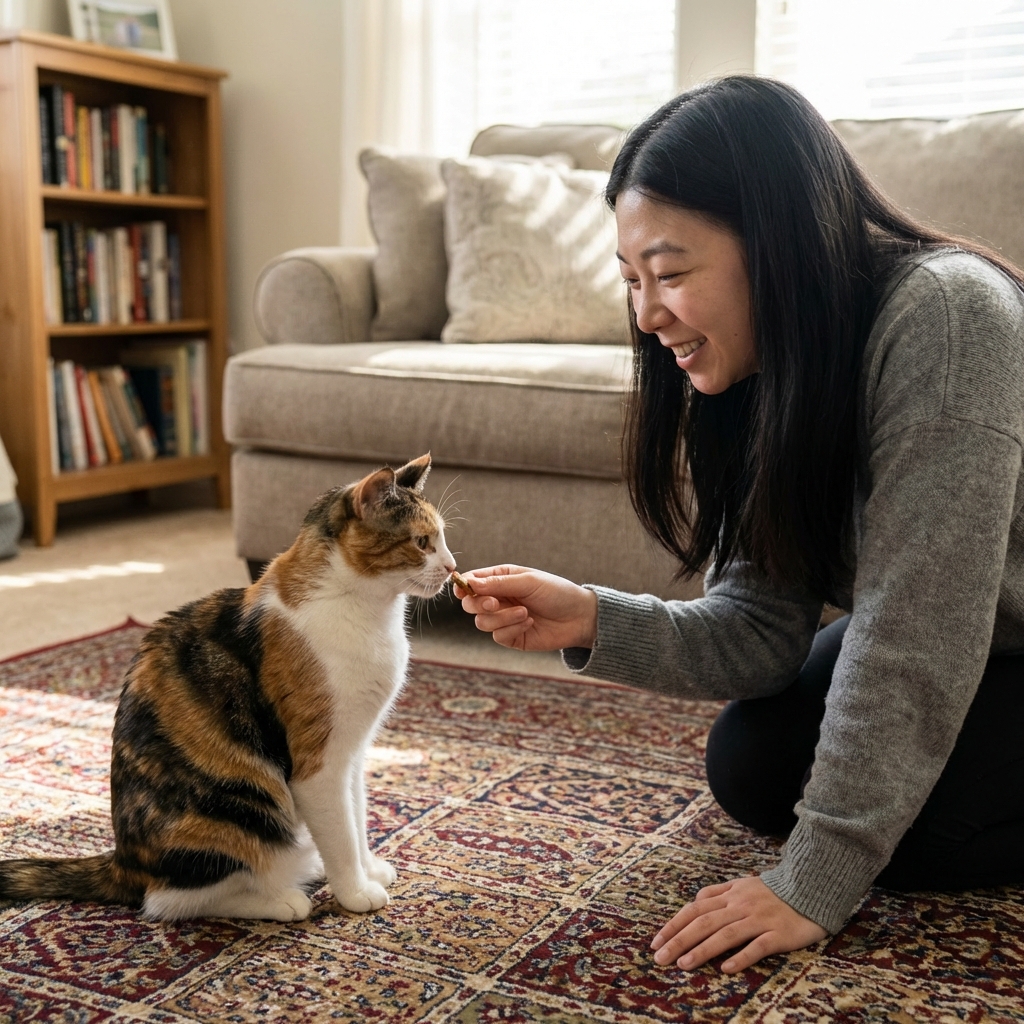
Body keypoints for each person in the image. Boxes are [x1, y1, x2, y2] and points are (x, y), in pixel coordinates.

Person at [454, 76, 1024, 975]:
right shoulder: (768, 365)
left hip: (985, 631)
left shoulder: (948, 315)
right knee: (753, 762)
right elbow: (759, 632)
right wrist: (595, 618)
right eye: (633, 280)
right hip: (982, 636)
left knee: (911, 840)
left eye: (672, 274)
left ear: (781, 243)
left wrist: (816, 878)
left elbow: (917, 627)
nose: (647, 317)